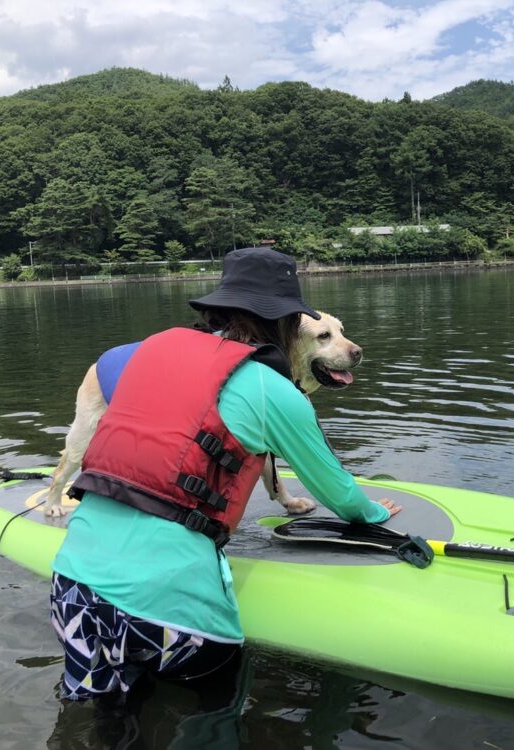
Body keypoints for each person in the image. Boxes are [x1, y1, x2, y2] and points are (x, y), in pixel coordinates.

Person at [50, 246, 400, 701]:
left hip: (72, 591)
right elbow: (338, 492)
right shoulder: (273, 388)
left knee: (101, 717)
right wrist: (372, 513)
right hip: (172, 618)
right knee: (215, 711)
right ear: (290, 324)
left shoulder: (152, 349)